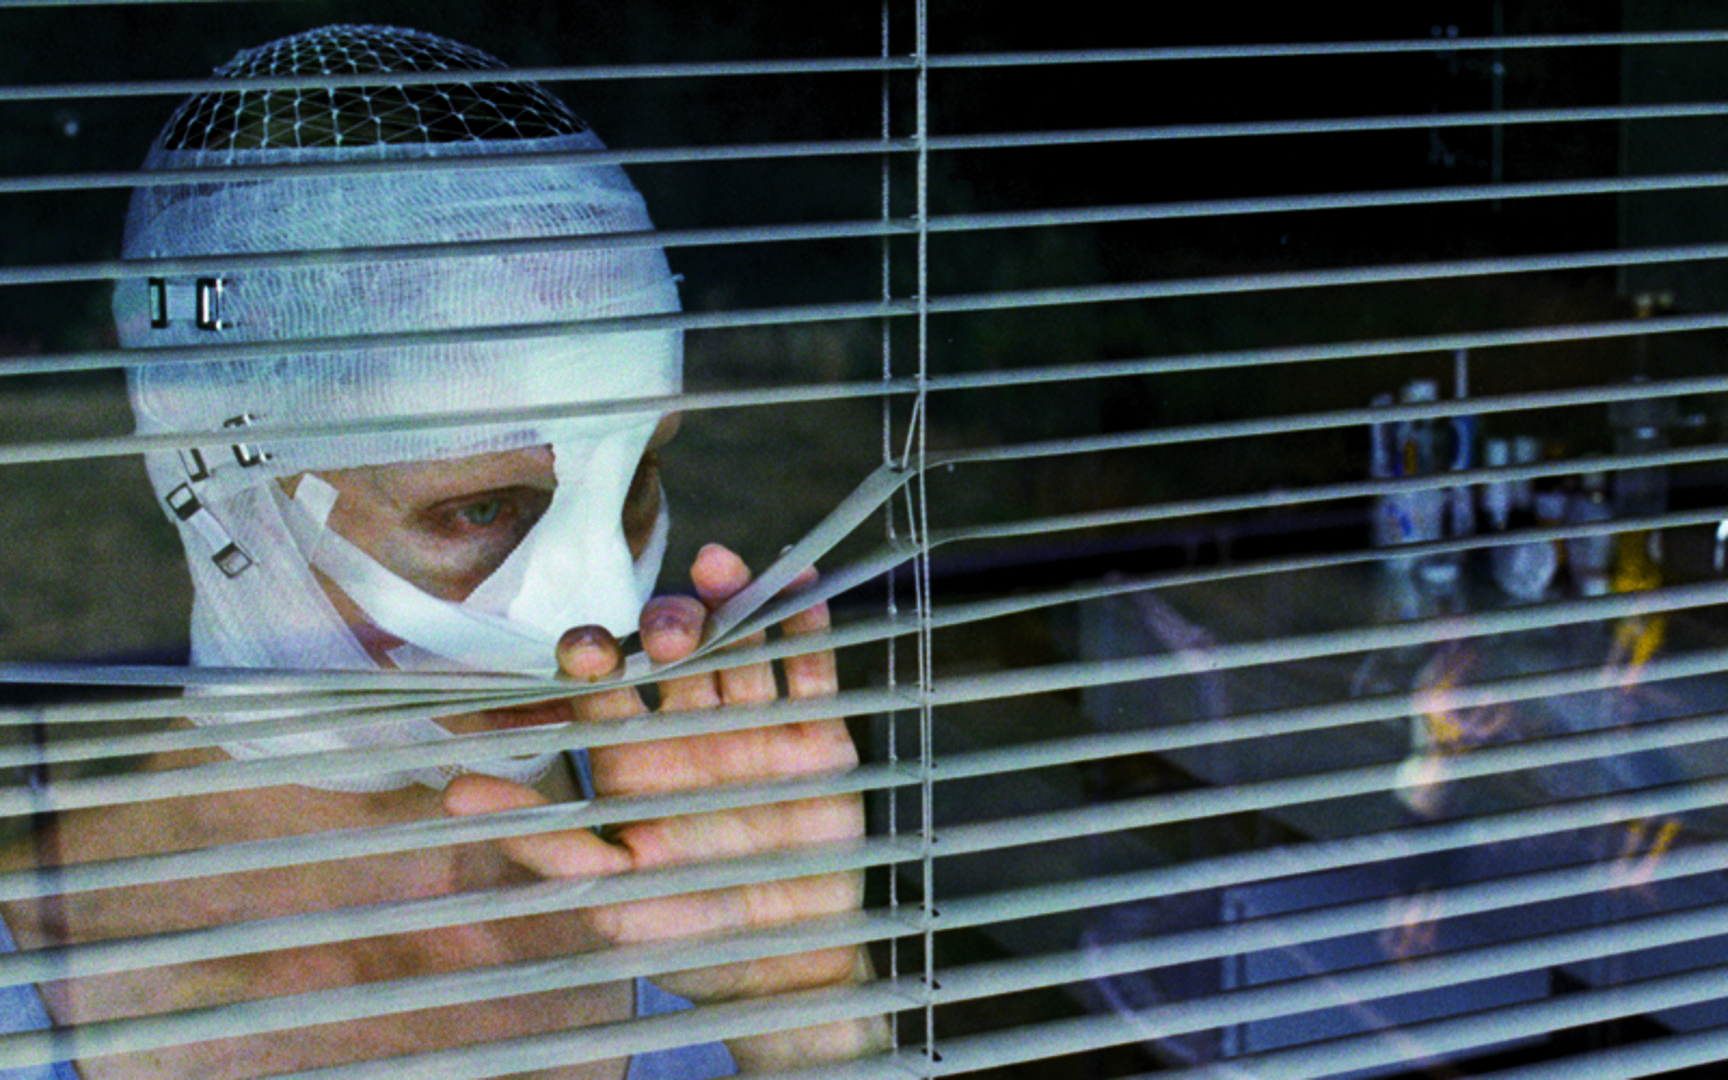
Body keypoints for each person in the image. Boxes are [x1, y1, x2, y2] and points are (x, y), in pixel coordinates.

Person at [0, 24, 885, 1078]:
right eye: (480, 509)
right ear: (213, 479)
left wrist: (807, 1008)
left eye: (637, 477)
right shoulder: (40, 985)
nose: (597, 618)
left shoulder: (706, 889)